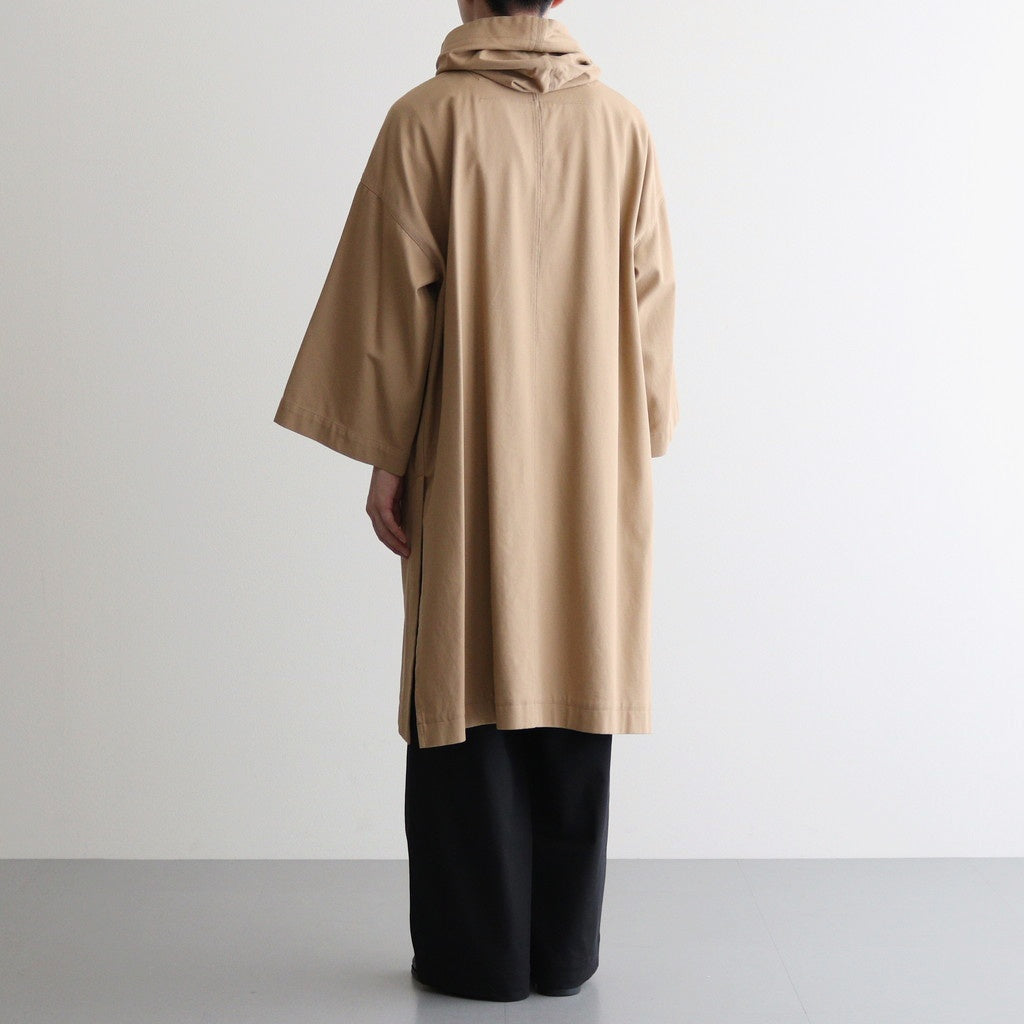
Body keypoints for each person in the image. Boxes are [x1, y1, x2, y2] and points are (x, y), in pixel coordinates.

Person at [273, 0, 678, 1003]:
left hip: (466, 453)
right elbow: (650, 299)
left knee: (466, 682)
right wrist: (638, 433)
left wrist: (385, 455)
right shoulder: (621, 124)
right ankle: (561, 954)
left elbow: (386, 302)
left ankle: (475, 958)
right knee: (575, 670)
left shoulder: (426, 118)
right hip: (588, 461)